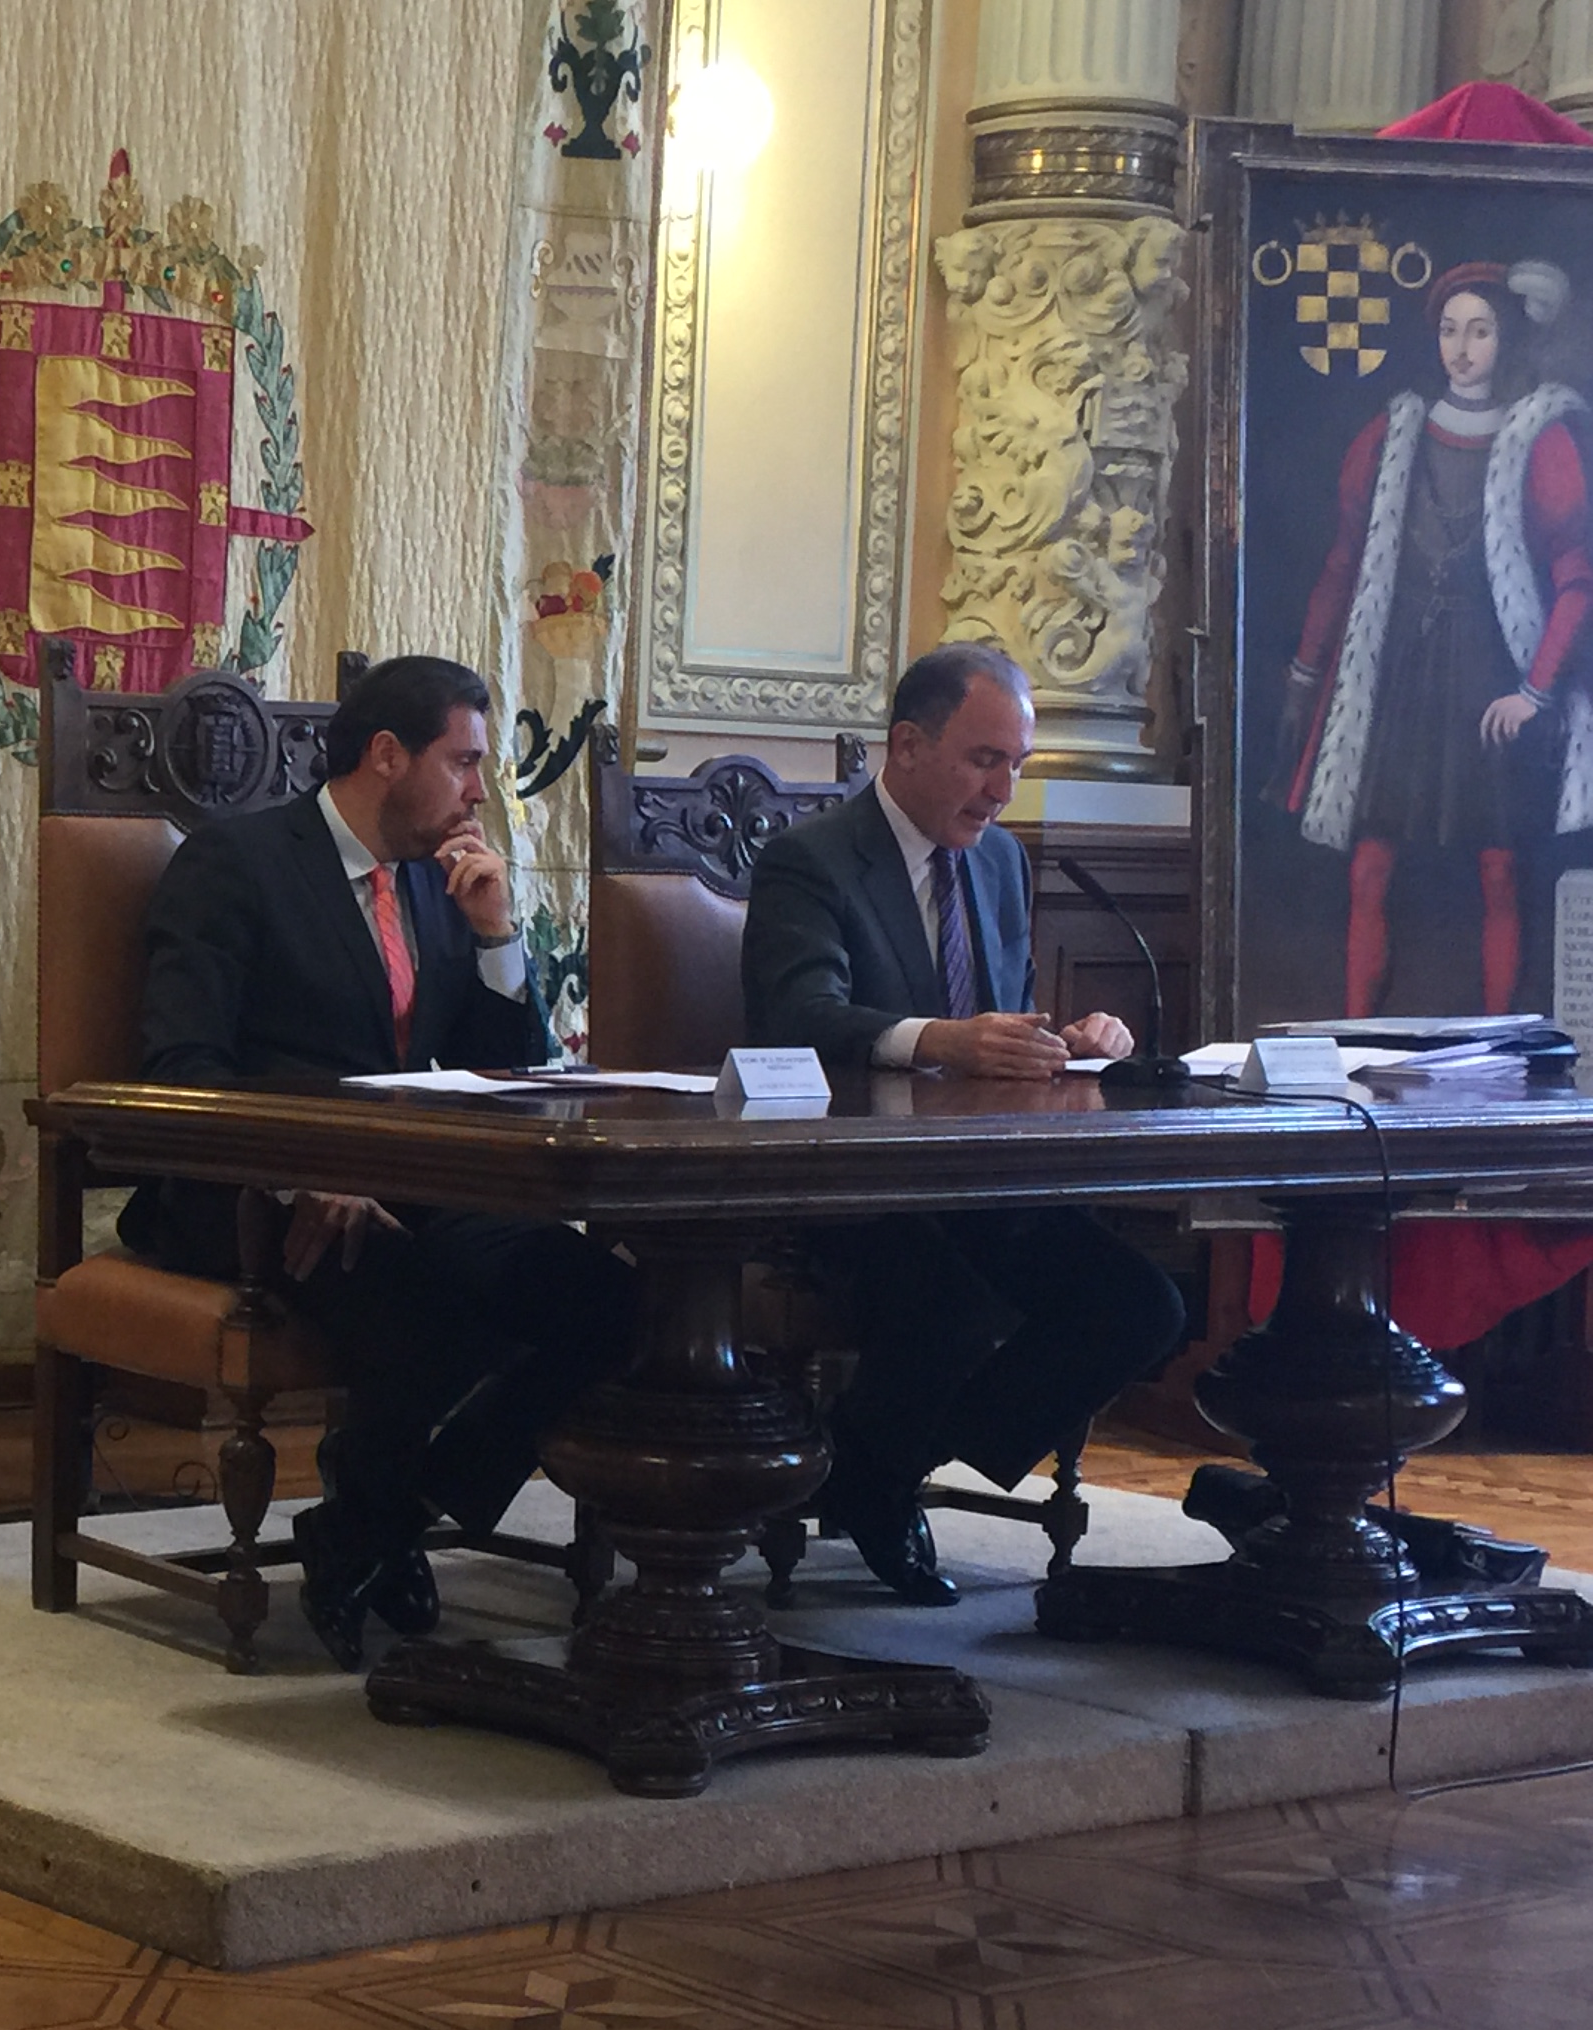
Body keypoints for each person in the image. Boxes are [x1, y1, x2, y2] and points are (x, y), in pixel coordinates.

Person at [123, 654, 637, 1666]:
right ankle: (379, 1528)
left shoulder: (442, 884)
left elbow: (510, 1078)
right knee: (426, 1306)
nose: (479, 791)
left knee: (607, 1302)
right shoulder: (237, 863)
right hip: (250, 1193)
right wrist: (299, 1173)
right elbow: (182, 1067)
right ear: (388, 755)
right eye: (464, 762)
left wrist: (497, 937)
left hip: (408, 1183)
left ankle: (377, 1521)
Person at [740, 642, 1185, 1603]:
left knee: (1141, 1305)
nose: (1003, 790)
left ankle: (876, 1468)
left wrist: (1069, 1041)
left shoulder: (1000, 865)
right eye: (986, 760)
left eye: (1016, 764)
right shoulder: (810, 861)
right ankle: (878, 1476)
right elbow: (799, 1018)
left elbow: (1003, 1021)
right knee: (953, 1305)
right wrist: (943, 1039)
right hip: (843, 1188)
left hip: (974, 1181)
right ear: (907, 746)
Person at [1280, 258, 1593, 1016]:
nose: (1462, 348)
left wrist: (1534, 691)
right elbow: (1345, 561)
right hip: (1404, 674)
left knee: (1498, 871)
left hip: (1490, 671)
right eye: (1451, 330)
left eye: (1479, 331)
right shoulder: (1394, 435)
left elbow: (1577, 580)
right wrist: (1304, 670)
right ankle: (1356, 1034)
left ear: (1504, 338)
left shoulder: (1540, 438)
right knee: (1370, 867)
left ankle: (1500, 1042)